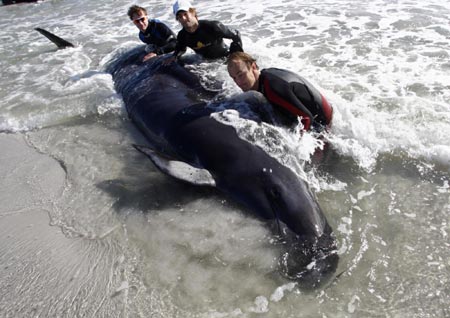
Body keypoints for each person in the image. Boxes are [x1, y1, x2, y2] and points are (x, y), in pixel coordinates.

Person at [227, 52, 333, 132]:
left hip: (322, 121)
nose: (238, 82)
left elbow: (306, 118)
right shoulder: (263, 79)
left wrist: (297, 149)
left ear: (253, 67)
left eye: (241, 75)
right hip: (313, 111)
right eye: (234, 78)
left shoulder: (272, 87)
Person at [164, 0, 243, 64]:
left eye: (185, 14)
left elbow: (236, 34)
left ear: (193, 13)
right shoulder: (182, 36)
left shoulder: (213, 27)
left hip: (224, 58)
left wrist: (237, 56)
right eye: (180, 16)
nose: (183, 18)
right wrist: (175, 56)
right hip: (205, 63)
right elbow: (181, 49)